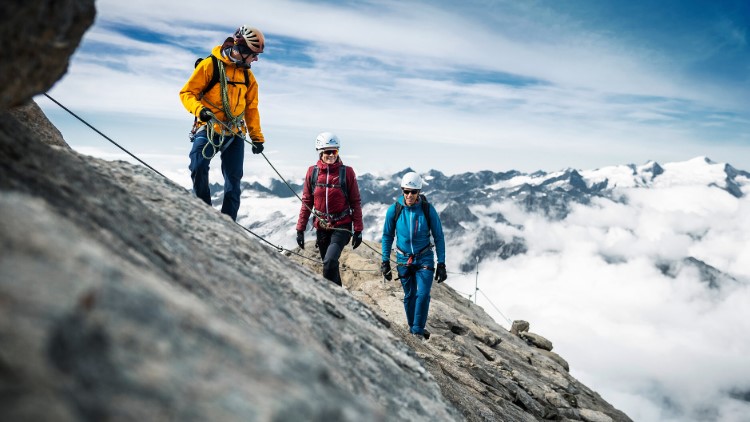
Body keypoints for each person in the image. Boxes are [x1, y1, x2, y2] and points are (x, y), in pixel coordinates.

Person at [179, 25, 266, 221]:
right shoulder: (210, 65)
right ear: (242, 51)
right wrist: (200, 110)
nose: (256, 59)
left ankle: (229, 224)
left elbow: (251, 109)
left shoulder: (248, 77)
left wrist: (257, 137)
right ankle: (205, 213)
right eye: (254, 54)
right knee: (198, 166)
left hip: (234, 132)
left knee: (233, 182)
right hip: (209, 127)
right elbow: (187, 93)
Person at [381, 172, 447, 339]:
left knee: (423, 295)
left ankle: (417, 330)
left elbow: (439, 236)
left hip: (424, 257)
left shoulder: (427, 210)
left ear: (419, 192)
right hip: (403, 259)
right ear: (402, 190)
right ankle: (413, 327)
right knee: (410, 295)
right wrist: (385, 261)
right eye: (406, 191)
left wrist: (441, 263)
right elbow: (387, 236)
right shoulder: (394, 210)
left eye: (413, 192)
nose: (409, 195)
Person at [296, 132, 364, 286]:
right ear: (320, 153)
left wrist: (358, 230)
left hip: (342, 226)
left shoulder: (347, 172)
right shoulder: (312, 172)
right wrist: (300, 229)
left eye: (335, 151)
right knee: (330, 266)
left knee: (329, 261)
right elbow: (307, 201)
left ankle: (331, 299)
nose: (332, 155)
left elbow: (355, 201)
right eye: (328, 152)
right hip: (321, 227)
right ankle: (341, 299)